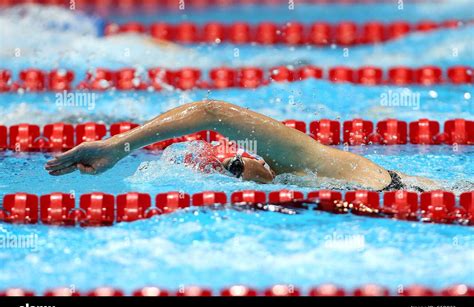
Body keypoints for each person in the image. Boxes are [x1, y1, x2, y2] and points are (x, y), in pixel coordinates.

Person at [45, 100, 438, 191]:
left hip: (416, 193)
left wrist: (119, 145)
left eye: (233, 164)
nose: (238, 173)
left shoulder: (303, 161)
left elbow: (213, 111)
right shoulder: (292, 188)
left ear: (255, 156)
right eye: (229, 173)